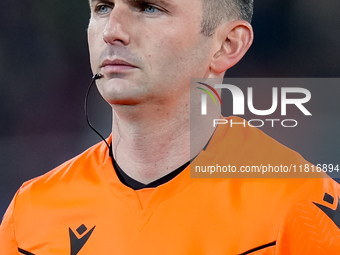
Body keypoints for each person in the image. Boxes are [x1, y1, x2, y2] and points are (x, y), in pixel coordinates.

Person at [1, 0, 339, 254]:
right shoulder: (31, 212)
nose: (111, 31)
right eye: (102, 7)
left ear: (227, 45)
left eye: (149, 8)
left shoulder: (297, 202)